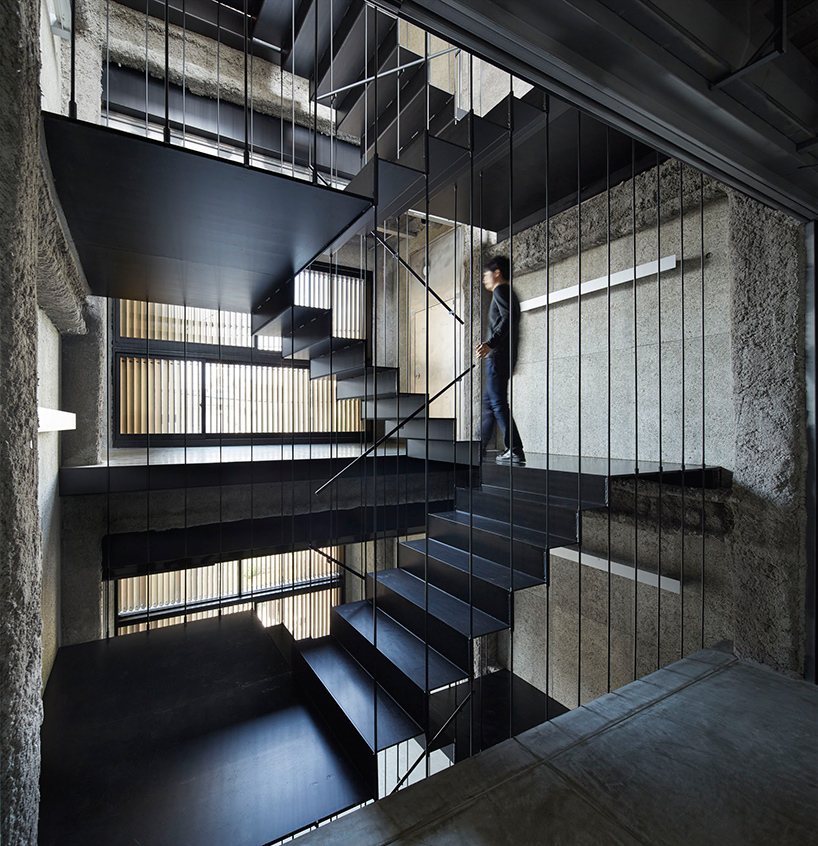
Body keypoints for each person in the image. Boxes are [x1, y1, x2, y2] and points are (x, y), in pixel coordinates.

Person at [476, 255, 526, 465]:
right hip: (501, 358)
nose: (484, 279)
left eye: (486, 274)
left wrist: (491, 344)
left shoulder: (500, 291)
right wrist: (512, 361)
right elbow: (515, 330)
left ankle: (515, 449)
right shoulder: (508, 293)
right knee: (489, 404)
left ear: (497, 273)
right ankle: (478, 449)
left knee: (497, 404)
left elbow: (508, 319)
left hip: (497, 357)